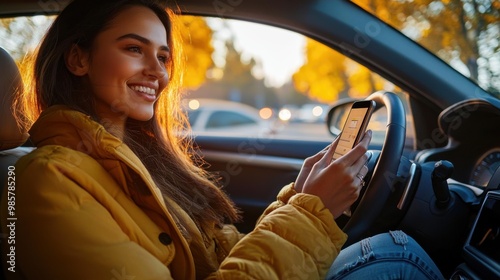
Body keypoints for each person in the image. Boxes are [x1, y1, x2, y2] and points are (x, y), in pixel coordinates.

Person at [1, 0, 444, 279]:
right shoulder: (44, 183)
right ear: (78, 58)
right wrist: (313, 214)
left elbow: (227, 258)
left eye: (162, 55)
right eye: (134, 49)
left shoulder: (142, 159)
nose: (158, 71)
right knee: (398, 258)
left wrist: (301, 199)